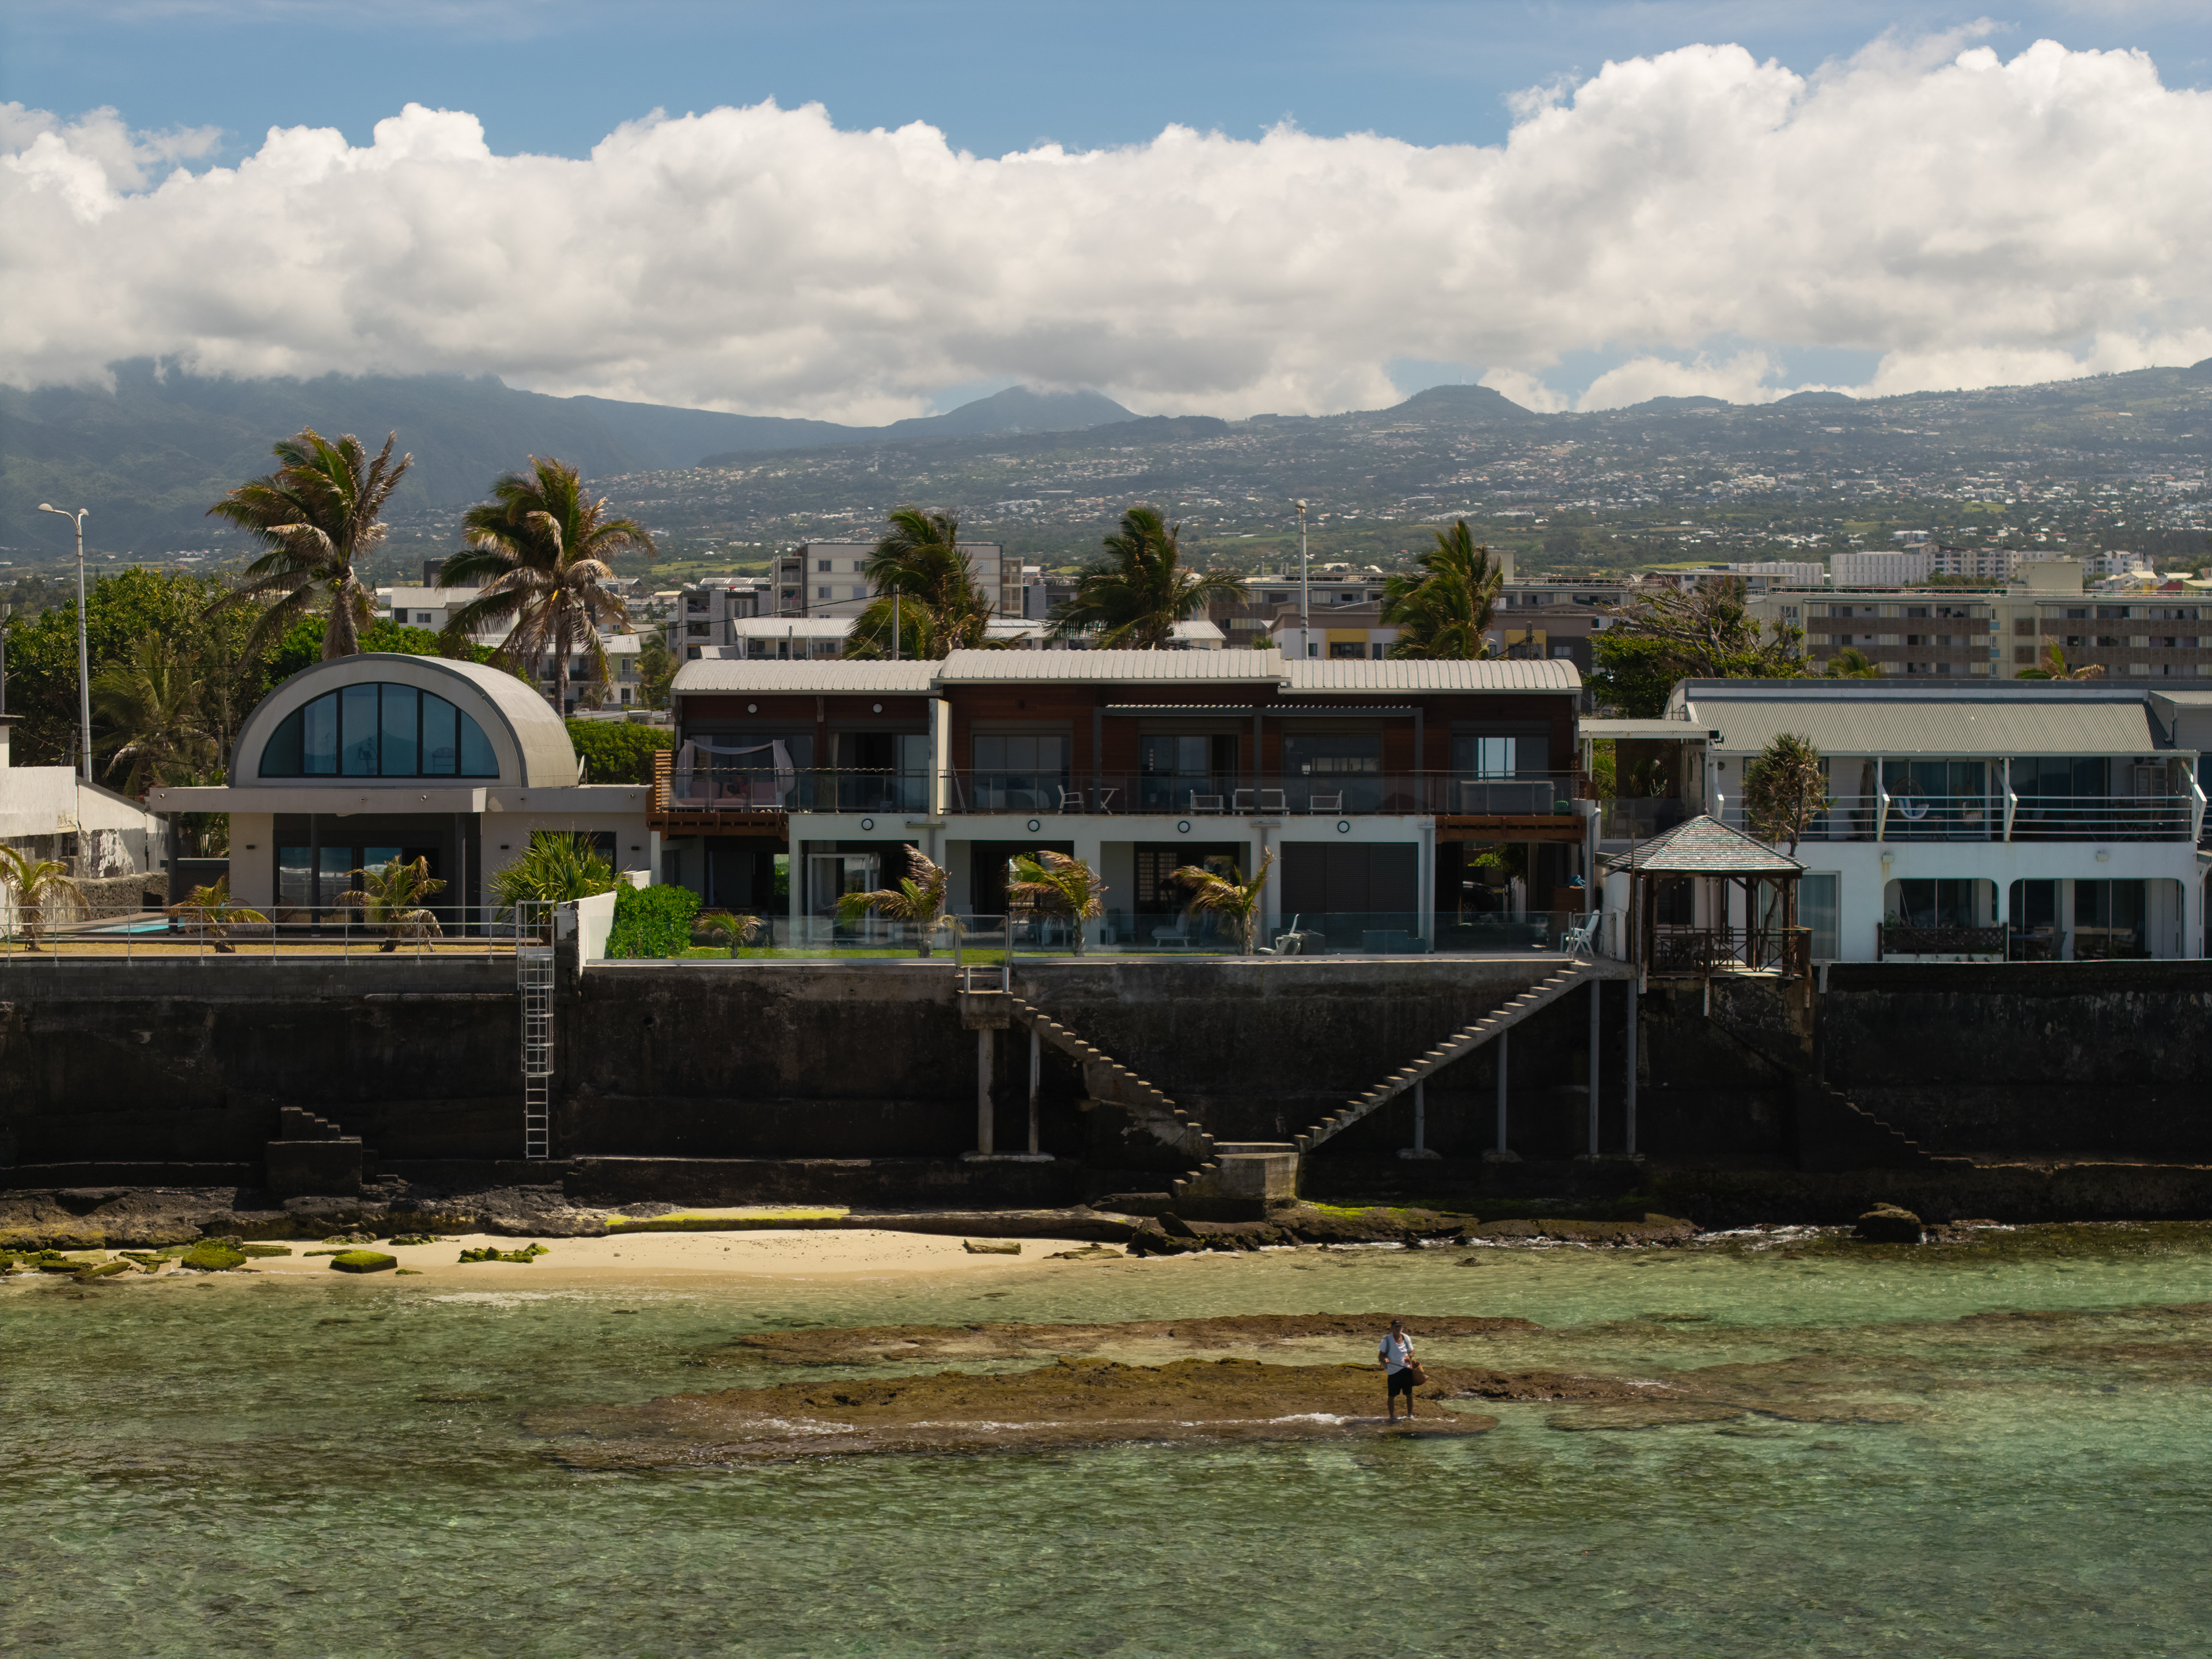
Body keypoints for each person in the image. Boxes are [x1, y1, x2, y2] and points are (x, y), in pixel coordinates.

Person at [1378, 1317, 1419, 1421]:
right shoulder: (1387, 1340)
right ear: (1392, 1328)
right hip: (1393, 1372)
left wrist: (1409, 1357)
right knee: (1392, 1395)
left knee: (1409, 1394)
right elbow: (1380, 1356)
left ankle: (1410, 1415)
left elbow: (1412, 1351)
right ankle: (1392, 1416)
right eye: (1396, 1327)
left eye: (1400, 1327)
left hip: (1406, 1370)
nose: (1398, 1329)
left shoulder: (1406, 1338)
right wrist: (1385, 1360)